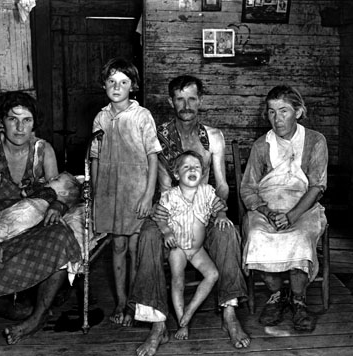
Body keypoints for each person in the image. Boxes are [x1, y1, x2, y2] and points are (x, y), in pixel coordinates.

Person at [129, 75, 250, 356]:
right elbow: (160, 184)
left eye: (192, 99)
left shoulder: (213, 136)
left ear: (200, 101)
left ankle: (230, 313)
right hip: (169, 208)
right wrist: (164, 215)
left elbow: (220, 183)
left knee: (227, 231)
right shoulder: (158, 136)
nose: (186, 105)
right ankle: (157, 323)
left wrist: (218, 210)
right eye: (180, 99)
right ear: (171, 101)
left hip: (204, 209)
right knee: (147, 235)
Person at [0, 91, 88, 345]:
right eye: (13, 119)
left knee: (61, 235)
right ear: (1, 121)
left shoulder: (44, 150)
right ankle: (34, 309)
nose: (20, 128)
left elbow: (60, 192)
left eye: (27, 120)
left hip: (33, 223)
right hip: (0, 226)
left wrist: (56, 206)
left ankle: (36, 318)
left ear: (34, 122)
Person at [240, 85, 328, 332]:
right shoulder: (261, 146)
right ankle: (276, 296)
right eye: (271, 112)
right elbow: (248, 189)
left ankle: (298, 300)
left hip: (304, 208)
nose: (277, 119)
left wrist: (291, 216)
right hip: (267, 208)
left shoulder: (315, 141)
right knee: (258, 235)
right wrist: (267, 212)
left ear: (298, 112)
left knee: (300, 237)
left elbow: (317, 186)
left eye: (283, 111)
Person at [90, 58, 161, 327]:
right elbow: (95, 158)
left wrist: (147, 195)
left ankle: (134, 302)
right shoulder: (101, 117)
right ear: (104, 85)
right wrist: (97, 194)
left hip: (135, 192)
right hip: (110, 192)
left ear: (133, 87)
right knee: (117, 245)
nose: (116, 86)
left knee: (134, 247)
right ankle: (120, 300)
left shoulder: (142, 116)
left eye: (123, 82)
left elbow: (153, 156)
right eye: (111, 81)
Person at [157, 150, 234, 340]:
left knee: (213, 274)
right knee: (178, 280)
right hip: (178, 249)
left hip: (197, 250)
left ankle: (189, 310)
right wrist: (166, 231)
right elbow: (159, 218)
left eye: (197, 167)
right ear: (176, 174)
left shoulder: (207, 191)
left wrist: (221, 216)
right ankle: (183, 323)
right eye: (186, 167)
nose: (192, 170)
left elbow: (220, 206)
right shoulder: (170, 196)